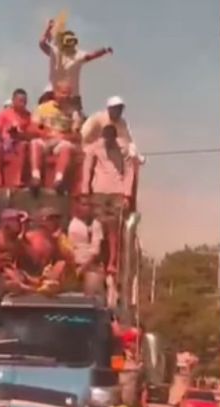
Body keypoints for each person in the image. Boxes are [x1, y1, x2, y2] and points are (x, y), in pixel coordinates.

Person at [82, 124, 138, 273]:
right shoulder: (96, 147)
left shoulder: (123, 148)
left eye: (111, 138)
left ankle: (113, 261)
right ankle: (96, 259)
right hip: (99, 189)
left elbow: (129, 170)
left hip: (117, 190)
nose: (108, 141)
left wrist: (127, 195)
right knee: (98, 225)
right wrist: (85, 189)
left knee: (114, 227)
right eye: (106, 138)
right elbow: (87, 167)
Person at [39, 19, 113, 105]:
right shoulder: (55, 51)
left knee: (76, 116)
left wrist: (104, 50)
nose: (70, 44)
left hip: (72, 96)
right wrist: (48, 29)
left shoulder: (78, 55)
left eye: (72, 41)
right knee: (45, 111)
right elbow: (42, 43)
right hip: (53, 93)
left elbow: (90, 56)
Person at [31, 80, 83, 190]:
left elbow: (77, 135)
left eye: (68, 94)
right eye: (63, 93)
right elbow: (34, 127)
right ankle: (35, 177)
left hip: (61, 141)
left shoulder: (73, 113)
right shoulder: (43, 108)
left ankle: (58, 180)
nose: (66, 96)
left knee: (66, 147)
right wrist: (46, 133)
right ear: (56, 93)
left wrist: (63, 136)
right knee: (35, 143)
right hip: (46, 139)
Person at [0, 88, 37, 188]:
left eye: (24, 101)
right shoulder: (4, 113)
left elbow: (31, 133)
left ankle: (17, 179)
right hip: (5, 142)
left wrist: (20, 134)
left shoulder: (28, 116)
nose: (23, 104)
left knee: (23, 145)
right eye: (20, 101)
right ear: (13, 101)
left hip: (19, 142)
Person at [67, 196, 105, 274]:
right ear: (78, 206)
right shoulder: (72, 223)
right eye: (84, 205)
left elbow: (96, 251)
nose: (87, 208)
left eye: (89, 205)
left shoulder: (95, 224)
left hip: (90, 266)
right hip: (73, 264)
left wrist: (82, 268)